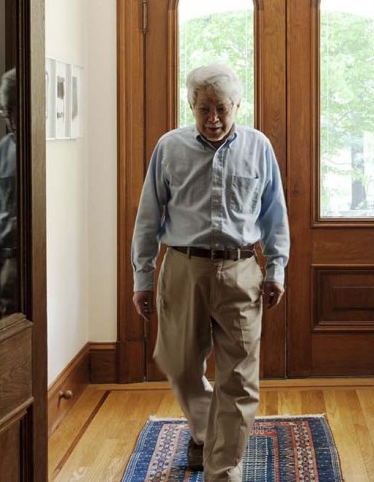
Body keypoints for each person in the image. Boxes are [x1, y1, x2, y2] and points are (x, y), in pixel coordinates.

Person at [131, 63, 290, 482]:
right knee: (180, 366)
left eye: (222, 108)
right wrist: (142, 278)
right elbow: (148, 218)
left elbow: (275, 213)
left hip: (241, 271)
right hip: (183, 268)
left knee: (238, 379)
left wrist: (276, 269)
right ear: (190, 105)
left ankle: (223, 469)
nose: (214, 118)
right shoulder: (169, 147)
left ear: (238, 105)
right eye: (204, 109)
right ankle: (205, 431)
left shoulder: (259, 147)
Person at [0, 68, 20, 317]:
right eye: (6, 112)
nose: (11, 121)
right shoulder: (2, 149)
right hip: (0, 253)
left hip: (23, 256)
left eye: (14, 111)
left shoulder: (39, 150)